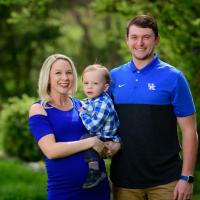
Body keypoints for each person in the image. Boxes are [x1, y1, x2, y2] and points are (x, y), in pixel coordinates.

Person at [107, 14, 198, 200]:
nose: (140, 43)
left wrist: (187, 177)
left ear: (156, 39)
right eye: (134, 37)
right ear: (126, 40)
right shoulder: (113, 77)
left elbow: (190, 131)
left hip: (167, 182)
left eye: (146, 37)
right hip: (124, 182)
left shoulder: (174, 77)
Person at [28, 54, 110, 200]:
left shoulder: (83, 105)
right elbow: (51, 151)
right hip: (65, 192)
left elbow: (102, 140)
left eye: (69, 72)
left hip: (98, 189)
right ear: (48, 77)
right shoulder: (39, 109)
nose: (65, 78)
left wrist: (111, 147)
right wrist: (90, 142)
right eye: (58, 73)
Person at [79, 64, 120, 189]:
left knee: (86, 139)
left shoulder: (104, 103)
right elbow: (86, 104)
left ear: (105, 87)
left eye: (95, 83)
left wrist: (83, 114)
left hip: (106, 138)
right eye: (86, 83)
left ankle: (95, 171)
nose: (89, 87)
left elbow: (93, 127)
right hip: (101, 135)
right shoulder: (92, 100)